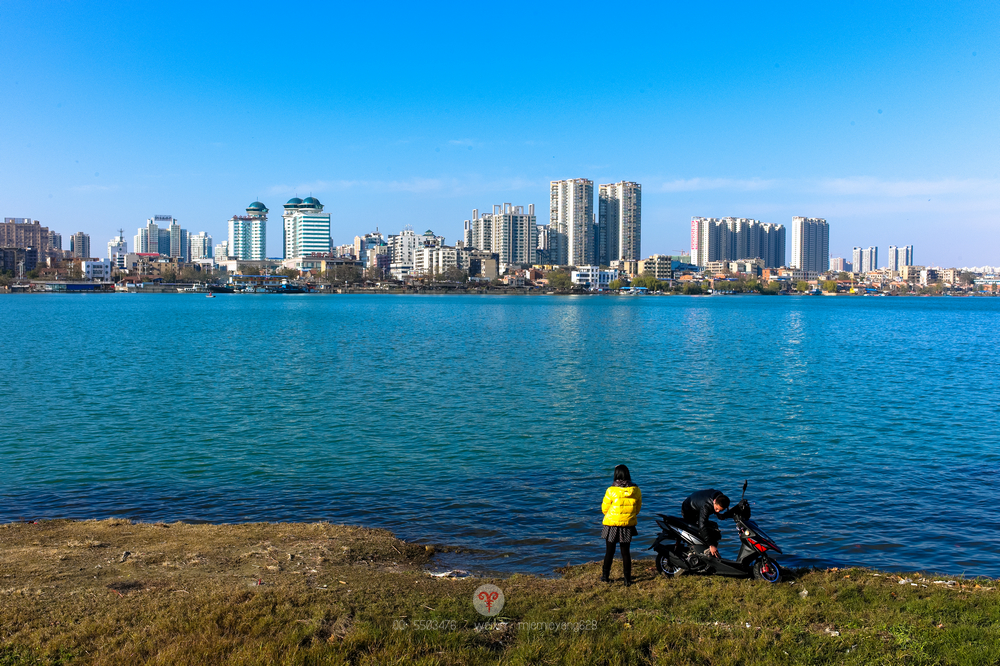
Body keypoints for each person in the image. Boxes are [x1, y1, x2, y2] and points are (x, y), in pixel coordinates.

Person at [600, 464, 642, 586]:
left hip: (612, 524)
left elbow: (604, 509)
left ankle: (605, 577)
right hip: (627, 524)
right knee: (626, 553)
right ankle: (627, 580)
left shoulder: (611, 490)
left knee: (609, 552)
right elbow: (637, 509)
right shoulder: (636, 490)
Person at [681, 488, 731, 558]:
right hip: (689, 509)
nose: (717, 511)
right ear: (714, 501)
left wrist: (718, 513)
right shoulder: (706, 506)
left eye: (720, 510)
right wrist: (711, 545)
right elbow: (702, 525)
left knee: (713, 527)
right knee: (698, 530)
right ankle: (692, 553)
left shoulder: (720, 496)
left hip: (698, 503)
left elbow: (718, 506)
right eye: (716, 509)